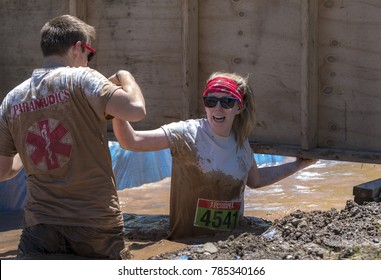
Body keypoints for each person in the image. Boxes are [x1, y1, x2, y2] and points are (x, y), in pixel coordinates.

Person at [0, 15, 146, 259]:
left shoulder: (12, 100)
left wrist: (34, 153)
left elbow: (3, 171)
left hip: (40, 226)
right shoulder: (83, 78)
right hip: (95, 223)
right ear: (78, 48)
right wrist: (124, 76)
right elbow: (136, 109)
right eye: (90, 53)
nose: (88, 61)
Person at [112, 72, 317, 240]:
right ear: (205, 104)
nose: (218, 108)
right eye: (211, 101)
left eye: (226, 102)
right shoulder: (188, 134)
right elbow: (132, 141)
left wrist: (299, 165)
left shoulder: (241, 143)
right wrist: (115, 103)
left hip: (229, 243)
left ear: (239, 106)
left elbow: (256, 180)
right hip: (188, 242)